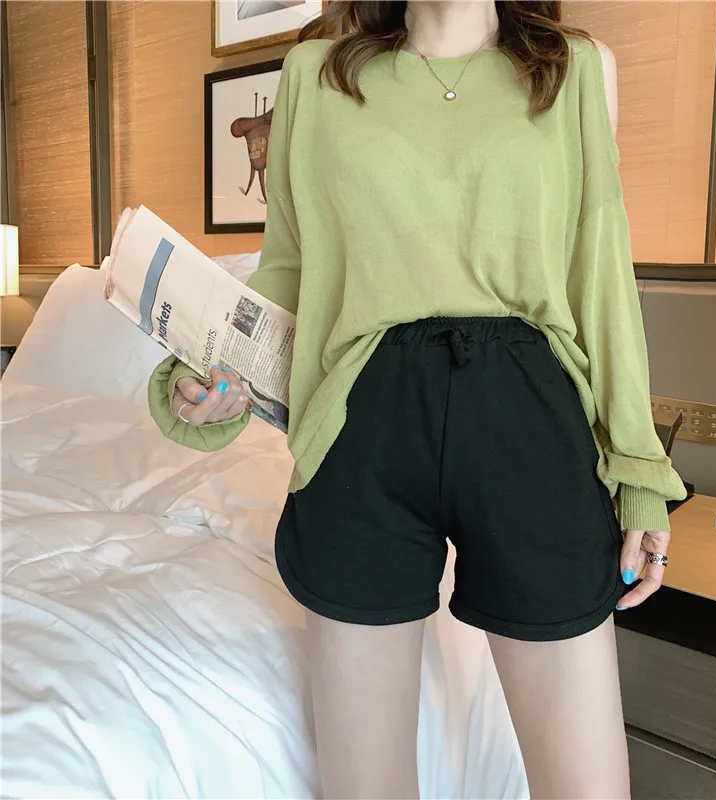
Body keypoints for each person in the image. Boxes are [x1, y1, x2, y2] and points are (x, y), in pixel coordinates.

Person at [148, 2, 687, 797]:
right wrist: (214, 377)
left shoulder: (574, 69)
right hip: (362, 425)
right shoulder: (317, 76)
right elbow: (289, 269)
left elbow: (600, 275)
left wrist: (639, 473)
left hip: (530, 423)